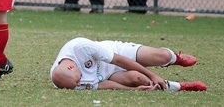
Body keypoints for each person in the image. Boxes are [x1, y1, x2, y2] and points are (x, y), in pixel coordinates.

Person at [50, 37, 207, 92]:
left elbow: (118, 60)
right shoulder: (65, 82)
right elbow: (103, 85)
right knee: (140, 80)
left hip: (116, 54)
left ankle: (173, 59)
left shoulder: (79, 46)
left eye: (78, 80)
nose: (80, 83)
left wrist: (153, 73)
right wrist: (133, 89)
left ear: (71, 66)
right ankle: (179, 86)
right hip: (110, 74)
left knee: (162, 56)